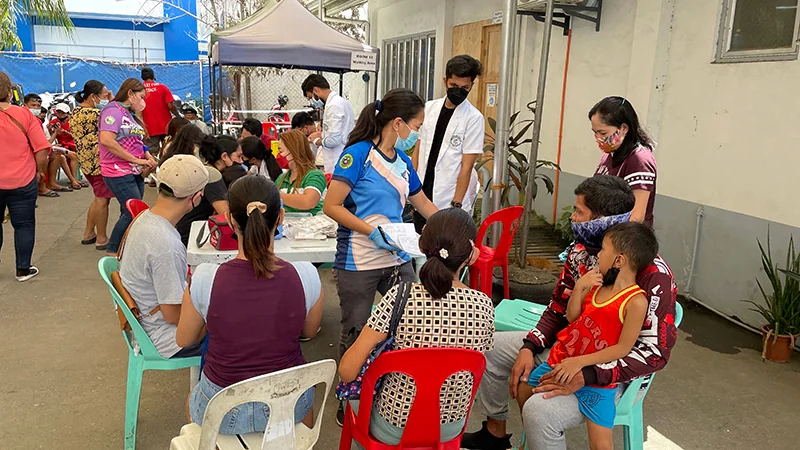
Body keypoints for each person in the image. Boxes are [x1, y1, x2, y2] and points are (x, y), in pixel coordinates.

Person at [460, 176, 678, 450]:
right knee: (491, 347)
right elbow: (558, 308)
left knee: (539, 411)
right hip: (571, 347)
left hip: (612, 375)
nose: (573, 218)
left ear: (606, 221)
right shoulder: (580, 254)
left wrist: (588, 373)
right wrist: (530, 346)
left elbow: (654, 353)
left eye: (579, 212)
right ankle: (495, 435)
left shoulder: (653, 276)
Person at [322, 88, 438, 424]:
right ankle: (351, 397)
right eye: (416, 126)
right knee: (357, 329)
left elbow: (423, 204)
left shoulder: (403, 163)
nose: (416, 134)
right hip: (358, 260)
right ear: (398, 123)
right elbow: (332, 205)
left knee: (411, 323)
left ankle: (393, 390)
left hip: (398, 258)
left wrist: (455, 229)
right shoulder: (356, 155)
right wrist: (369, 231)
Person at [176, 175, 323, 434]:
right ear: (280, 217)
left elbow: (185, 339)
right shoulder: (306, 274)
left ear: (231, 220)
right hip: (288, 403)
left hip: (222, 407)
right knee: (306, 400)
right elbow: (308, 332)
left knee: (191, 399)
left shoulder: (205, 277)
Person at [339, 207, 493, 444]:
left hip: (394, 426)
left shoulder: (399, 296)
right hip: (449, 427)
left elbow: (348, 371)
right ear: (472, 255)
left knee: (356, 399)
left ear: (420, 246)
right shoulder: (484, 306)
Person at [516, 222, 658, 450]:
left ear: (619, 260)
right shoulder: (598, 286)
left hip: (596, 382)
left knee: (601, 445)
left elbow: (623, 349)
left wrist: (580, 363)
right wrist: (581, 286)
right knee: (524, 389)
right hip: (561, 362)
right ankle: (531, 441)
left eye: (603, 250)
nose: (598, 255)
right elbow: (573, 317)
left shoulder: (635, 302)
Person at [119, 155, 210, 359]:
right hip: (165, 339)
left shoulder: (145, 218)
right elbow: (174, 316)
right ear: (195, 198)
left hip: (145, 324)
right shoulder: (166, 244)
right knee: (240, 325)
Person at [411, 55, 485, 233]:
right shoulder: (429, 108)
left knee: (443, 251)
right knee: (419, 246)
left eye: (464, 88)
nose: (458, 91)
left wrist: (456, 203)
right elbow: (418, 149)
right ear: (445, 81)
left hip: (448, 196)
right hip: (421, 193)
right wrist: (409, 185)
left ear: (471, 86)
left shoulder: (474, 118)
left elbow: (467, 167)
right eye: (454, 86)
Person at [0, 71, 51, 281]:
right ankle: (23, 269)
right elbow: (42, 149)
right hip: (22, 180)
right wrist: (39, 171)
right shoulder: (24, 115)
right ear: (10, 92)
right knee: (24, 225)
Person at [99, 78, 158, 255]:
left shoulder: (128, 114)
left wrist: (146, 155)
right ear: (130, 94)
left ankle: (123, 245)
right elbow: (107, 141)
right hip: (117, 170)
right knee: (134, 210)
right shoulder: (112, 111)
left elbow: (136, 141)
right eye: (141, 96)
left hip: (133, 170)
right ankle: (113, 250)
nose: (143, 101)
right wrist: (136, 160)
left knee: (130, 210)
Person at [590, 96, 657, 226]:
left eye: (603, 133)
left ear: (624, 129)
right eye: (594, 132)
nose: (598, 138)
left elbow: (636, 217)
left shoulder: (639, 160)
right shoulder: (610, 154)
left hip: (622, 242)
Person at [72, 80, 113, 250]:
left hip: (87, 162)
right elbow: (119, 114)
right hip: (99, 162)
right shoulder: (95, 115)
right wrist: (112, 101)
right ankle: (102, 238)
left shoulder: (77, 111)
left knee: (98, 198)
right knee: (102, 200)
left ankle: (89, 233)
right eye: (104, 95)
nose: (106, 98)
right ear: (93, 97)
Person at [174, 135, 230, 246]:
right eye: (239, 156)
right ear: (224, 156)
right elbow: (226, 216)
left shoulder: (201, 170)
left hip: (184, 231)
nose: (241, 161)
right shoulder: (212, 176)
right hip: (194, 237)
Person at [301, 74, 355, 174]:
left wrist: (316, 140)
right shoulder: (341, 102)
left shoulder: (334, 105)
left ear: (316, 90)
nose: (313, 102)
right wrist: (323, 135)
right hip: (341, 158)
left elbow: (334, 140)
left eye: (311, 97)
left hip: (336, 161)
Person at [275, 129, 326, 214]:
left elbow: (308, 202)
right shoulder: (281, 179)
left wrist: (275, 196)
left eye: (281, 151)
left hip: (312, 225)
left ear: (294, 151)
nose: (279, 156)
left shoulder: (315, 175)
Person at [141, 67, 179, 156]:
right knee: (169, 150)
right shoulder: (162, 88)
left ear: (142, 77)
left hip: (149, 126)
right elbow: (170, 105)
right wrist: (177, 115)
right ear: (153, 76)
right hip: (166, 126)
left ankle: (152, 170)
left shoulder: (140, 90)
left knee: (152, 153)